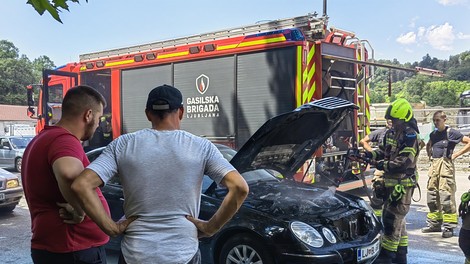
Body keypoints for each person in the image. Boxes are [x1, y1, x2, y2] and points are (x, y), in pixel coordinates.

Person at [71, 84, 249, 264]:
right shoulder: (201, 147)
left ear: (148, 114)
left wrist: (111, 228)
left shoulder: (123, 145)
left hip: (135, 253)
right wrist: (211, 227)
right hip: (183, 253)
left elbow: (82, 185)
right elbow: (239, 187)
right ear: (180, 111)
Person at [21, 85, 128, 264]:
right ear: (88, 115)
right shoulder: (64, 140)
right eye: (99, 118)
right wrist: (79, 211)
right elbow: (69, 174)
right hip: (74, 249)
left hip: (58, 247)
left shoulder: (42, 138)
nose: (98, 124)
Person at [362, 98, 420, 264]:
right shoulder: (391, 133)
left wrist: (381, 164)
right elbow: (381, 152)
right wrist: (367, 155)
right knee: (399, 225)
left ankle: (386, 258)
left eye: (395, 120)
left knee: (391, 223)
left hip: (402, 188)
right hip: (390, 186)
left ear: (404, 119)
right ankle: (401, 258)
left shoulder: (410, 136)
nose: (393, 123)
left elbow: (403, 163)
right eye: (391, 120)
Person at [421, 110, 470, 238]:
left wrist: (456, 155)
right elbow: (429, 145)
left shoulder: (451, 133)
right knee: (432, 195)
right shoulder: (433, 134)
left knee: (446, 196)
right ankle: (434, 224)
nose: (435, 123)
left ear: (444, 119)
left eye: (438, 120)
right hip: (434, 167)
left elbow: (469, 142)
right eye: (434, 120)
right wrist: (429, 154)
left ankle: (449, 227)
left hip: (446, 167)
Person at [360, 119, 392, 218]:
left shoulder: (403, 134)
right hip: (382, 165)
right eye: (389, 120)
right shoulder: (381, 133)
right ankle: (377, 215)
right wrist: (369, 153)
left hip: (395, 167)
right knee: (377, 186)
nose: (391, 123)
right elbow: (363, 141)